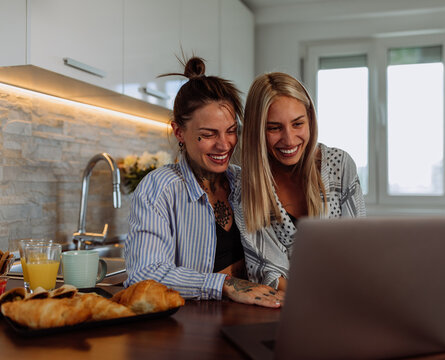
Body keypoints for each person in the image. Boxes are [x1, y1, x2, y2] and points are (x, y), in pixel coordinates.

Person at [124, 57, 283, 308]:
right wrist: (226, 284)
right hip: (190, 330)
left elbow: (273, 257)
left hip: (251, 318)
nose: (224, 145)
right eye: (207, 135)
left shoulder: (244, 182)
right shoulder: (159, 189)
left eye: (230, 131)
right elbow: (144, 275)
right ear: (179, 132)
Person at [234, 72, 367, 292]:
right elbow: (267, 273)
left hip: (347, 299)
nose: (289, 139)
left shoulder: (339, 166)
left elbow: (359, 248)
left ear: (310, 120)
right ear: (257, 131)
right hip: (284, 308)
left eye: (297, 124)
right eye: (274, 128)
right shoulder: (246, 188)